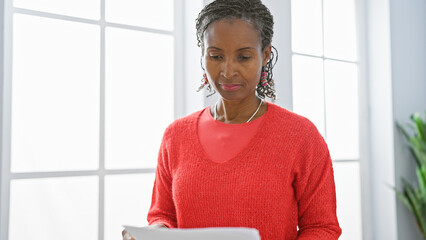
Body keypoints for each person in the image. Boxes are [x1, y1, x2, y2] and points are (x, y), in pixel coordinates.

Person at [123, 0, 342, 239]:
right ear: (203, 55)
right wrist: (153, 233)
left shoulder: (300, 135)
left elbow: (322, 228)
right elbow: (163, 215)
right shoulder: (175, 135)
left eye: (244, 57)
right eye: (216, 56)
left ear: (265, 54)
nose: (228, 72)